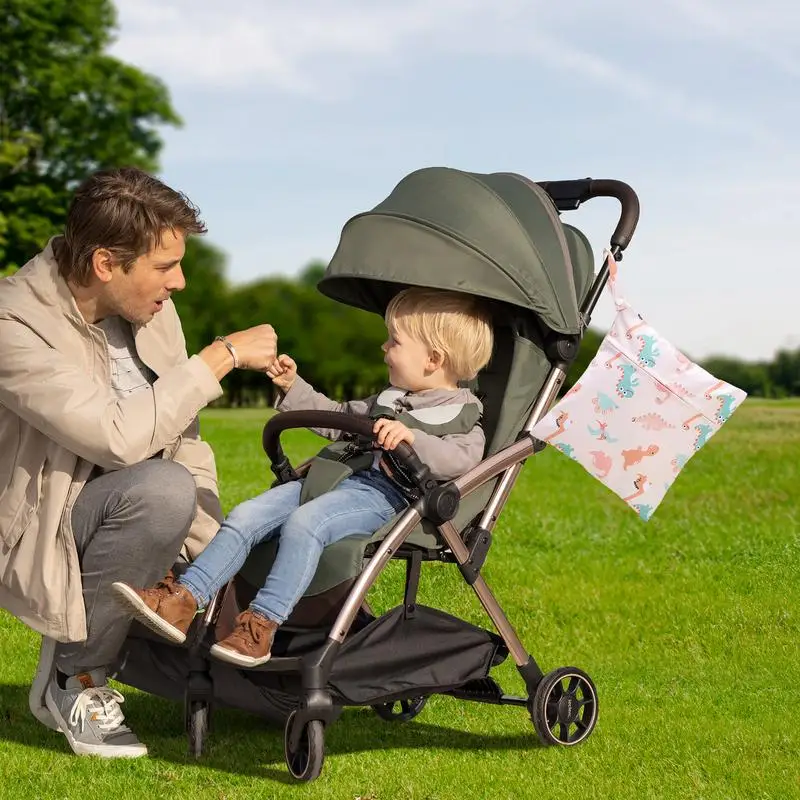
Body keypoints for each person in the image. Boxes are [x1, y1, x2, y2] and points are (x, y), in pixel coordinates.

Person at [0, 167, 279, 758]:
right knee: (160, 491)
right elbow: (116, 437)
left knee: (189, 498)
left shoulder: (152, 312)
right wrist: (221, 357)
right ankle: (75, 681)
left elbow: (184, 441)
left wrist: (213, 546)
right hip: (39, 524)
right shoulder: (14, 325)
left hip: (128, 510)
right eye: (164, 266)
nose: (178, 282)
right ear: (106, 264)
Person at [112, 287, 494, 670]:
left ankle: (260, 627)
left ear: (433, 359)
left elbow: (461, 461)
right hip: (332, 477)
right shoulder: (392, 398)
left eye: (394, 341)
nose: (383, 347)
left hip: (383, 496)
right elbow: (339, 417)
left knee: (305, 523)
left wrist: (414, 440)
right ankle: (184, 600)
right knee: (246, 515)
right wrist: (295, 388)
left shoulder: (462, 417)